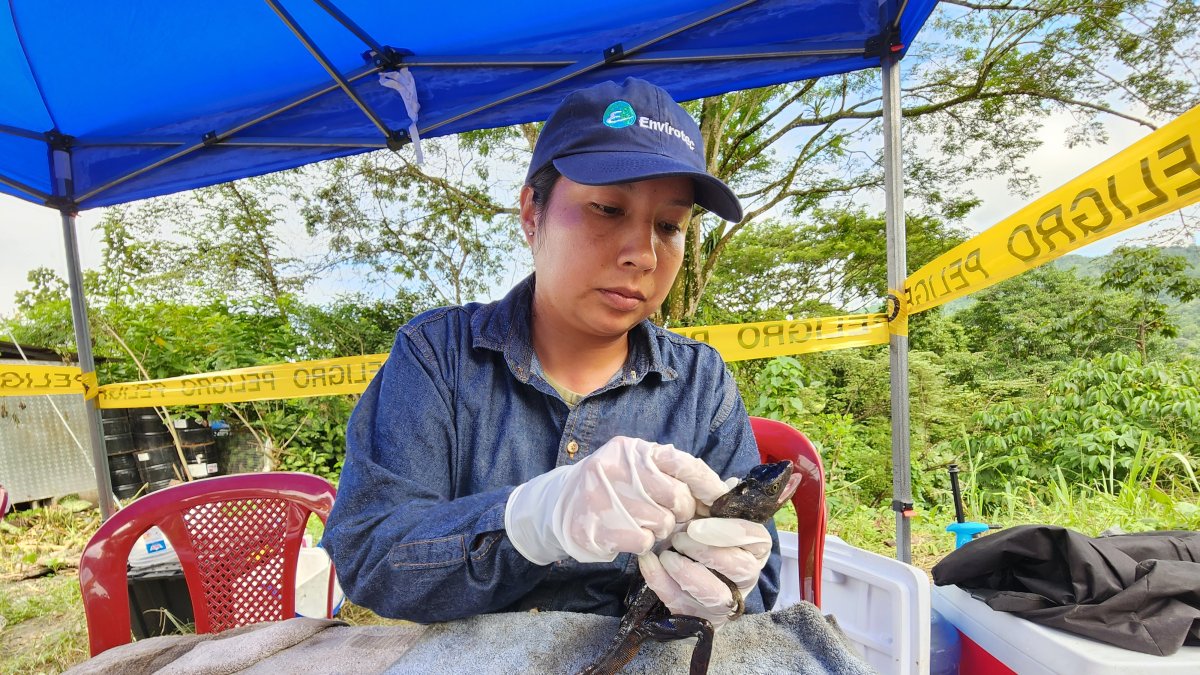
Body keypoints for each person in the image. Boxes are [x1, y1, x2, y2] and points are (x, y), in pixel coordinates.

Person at [323, 77, 781, 629]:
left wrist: (720, 588)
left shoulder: (701, 384)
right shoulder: (437, 356)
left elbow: (755, 590)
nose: (642, 254)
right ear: (531, 214)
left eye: (669, 225)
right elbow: (370, 556)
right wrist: (529, 521)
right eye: (608, 209)